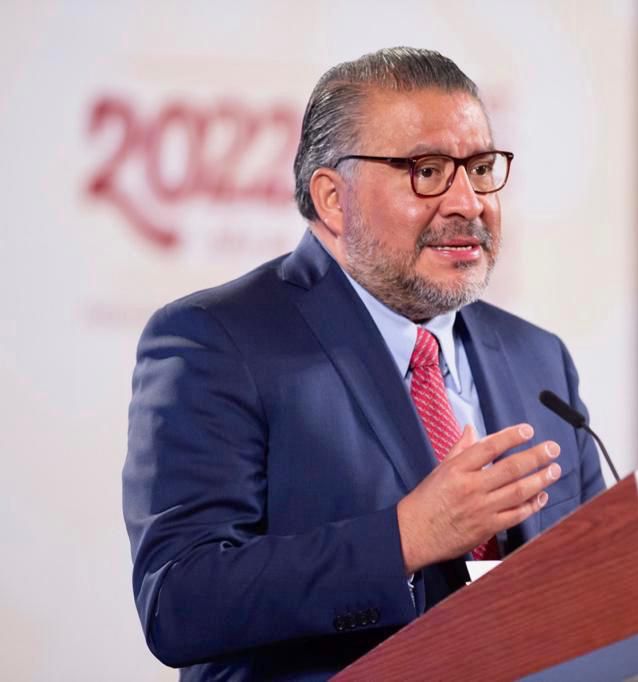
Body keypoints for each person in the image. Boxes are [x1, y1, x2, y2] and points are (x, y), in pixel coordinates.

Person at [123, 47, 606, 681]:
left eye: (481, 168)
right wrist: (405, 538)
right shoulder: (217, 340)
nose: (468, 202)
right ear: (333, 198)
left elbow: (595, 586)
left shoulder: (539, 359)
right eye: (428, 170)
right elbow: (182, 601)